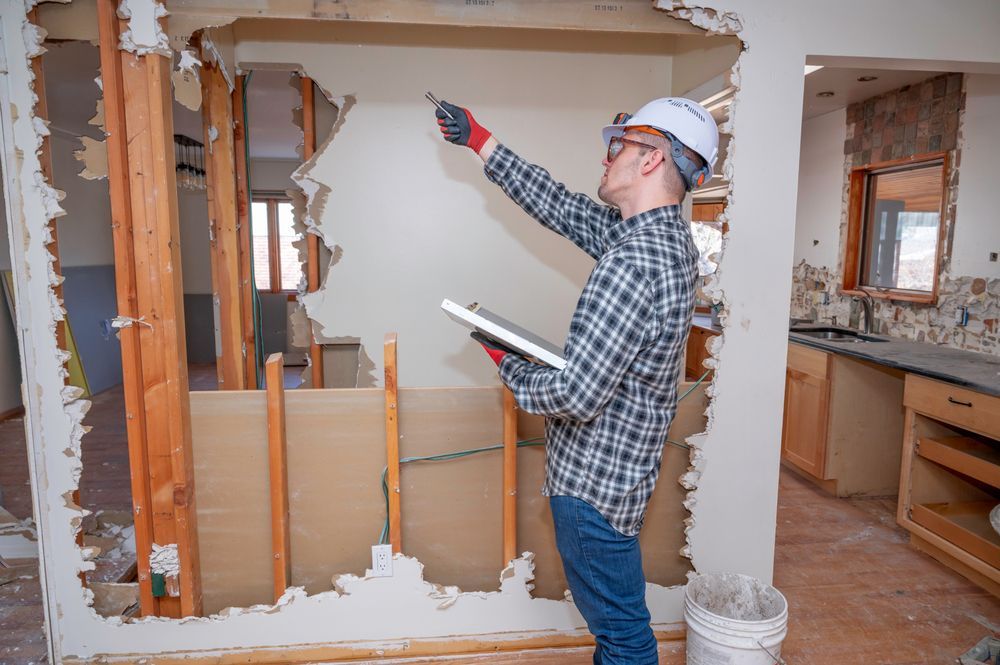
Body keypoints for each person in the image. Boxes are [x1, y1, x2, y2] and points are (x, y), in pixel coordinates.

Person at [434, 97, 718, 665]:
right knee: (622, 627)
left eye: (620, 146)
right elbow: (561, 207)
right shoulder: (663, 242)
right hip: (620, 480)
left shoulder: (632, 262)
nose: (608, 157)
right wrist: (480, 139)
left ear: (650, 160)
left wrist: (504, 360)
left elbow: (576, 396)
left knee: (623, 637)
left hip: (592, 491)